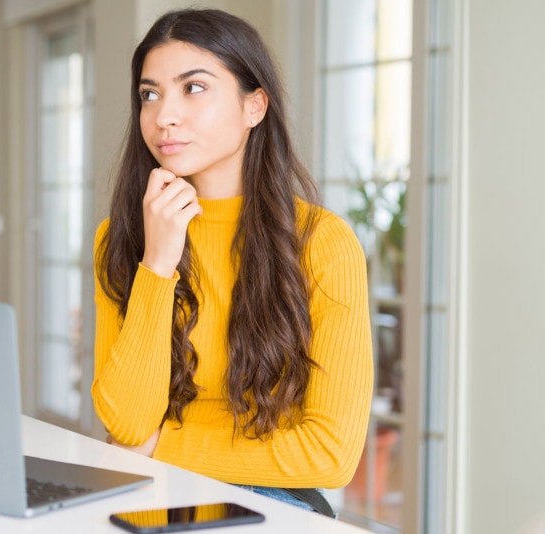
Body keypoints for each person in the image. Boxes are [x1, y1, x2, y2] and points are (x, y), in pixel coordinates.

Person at [91, 8, 374, 514]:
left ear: (255, 106)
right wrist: (157, 263)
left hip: (268, 498)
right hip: (152, 491)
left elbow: (331, 455)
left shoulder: (322, 242)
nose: (163, 116)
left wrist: (165, 447)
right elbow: (128, 423)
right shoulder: (123, 238)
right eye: (149, 94)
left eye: (193, 88)